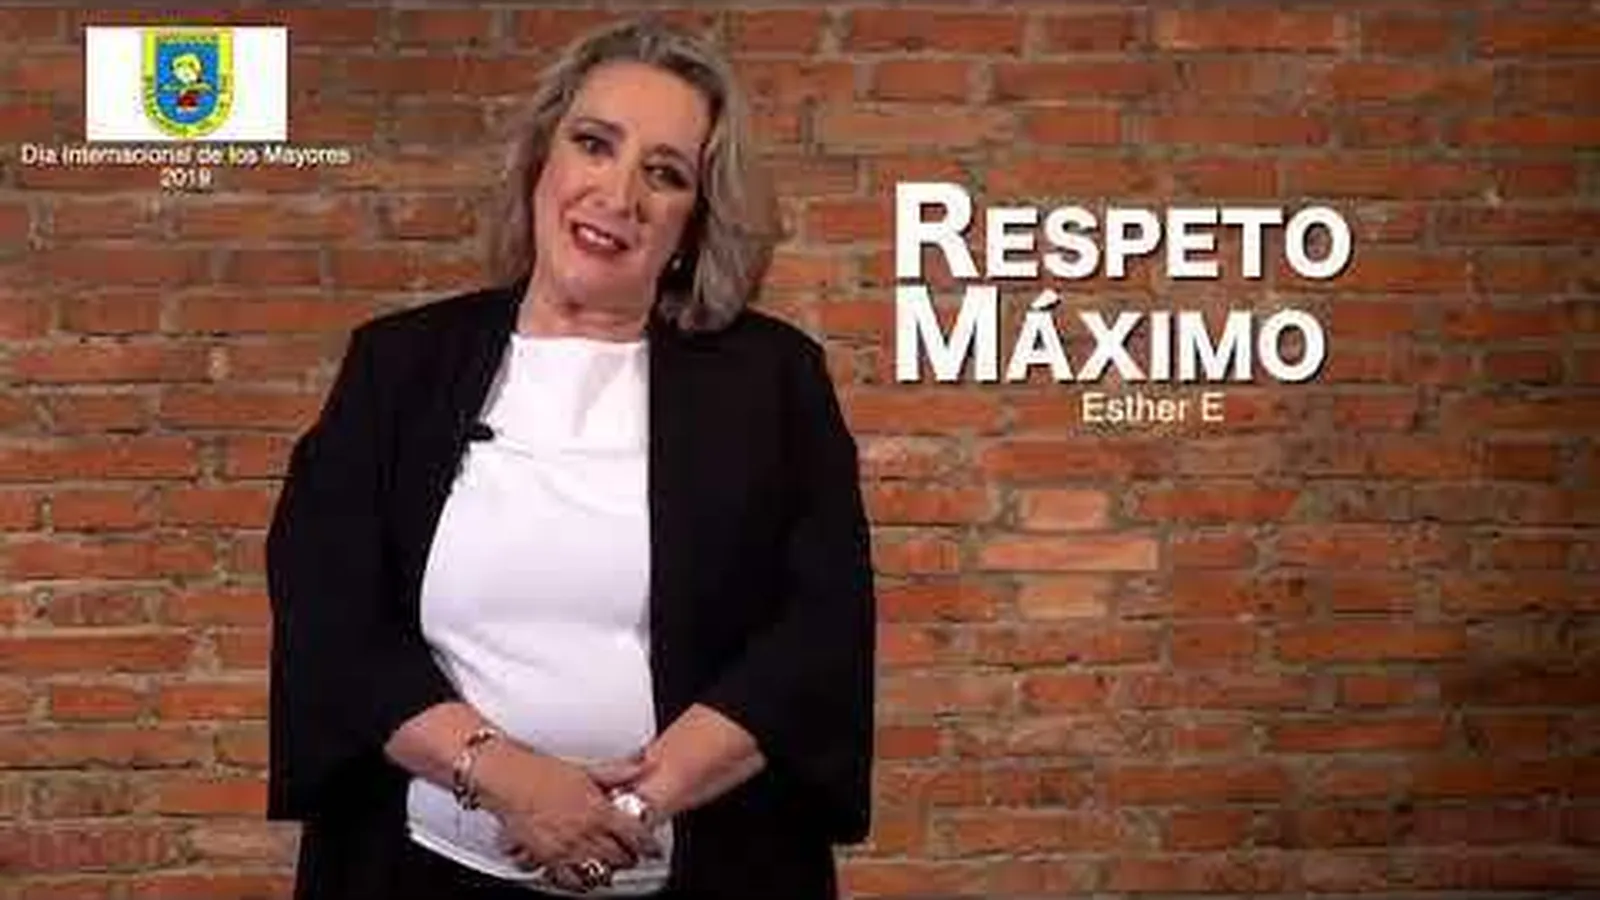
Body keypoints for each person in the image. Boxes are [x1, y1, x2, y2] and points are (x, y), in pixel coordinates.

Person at [265, 16, 876, 900]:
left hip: (708, 873)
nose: (618, 194)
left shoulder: (774, 380)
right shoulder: (399, 365)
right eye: (595, 144)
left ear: (694, 222)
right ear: (540, 161)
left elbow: (818, 632)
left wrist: (628, 809)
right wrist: (508, 779)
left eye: (665, 174)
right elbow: (329, 609)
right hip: (416, 872)